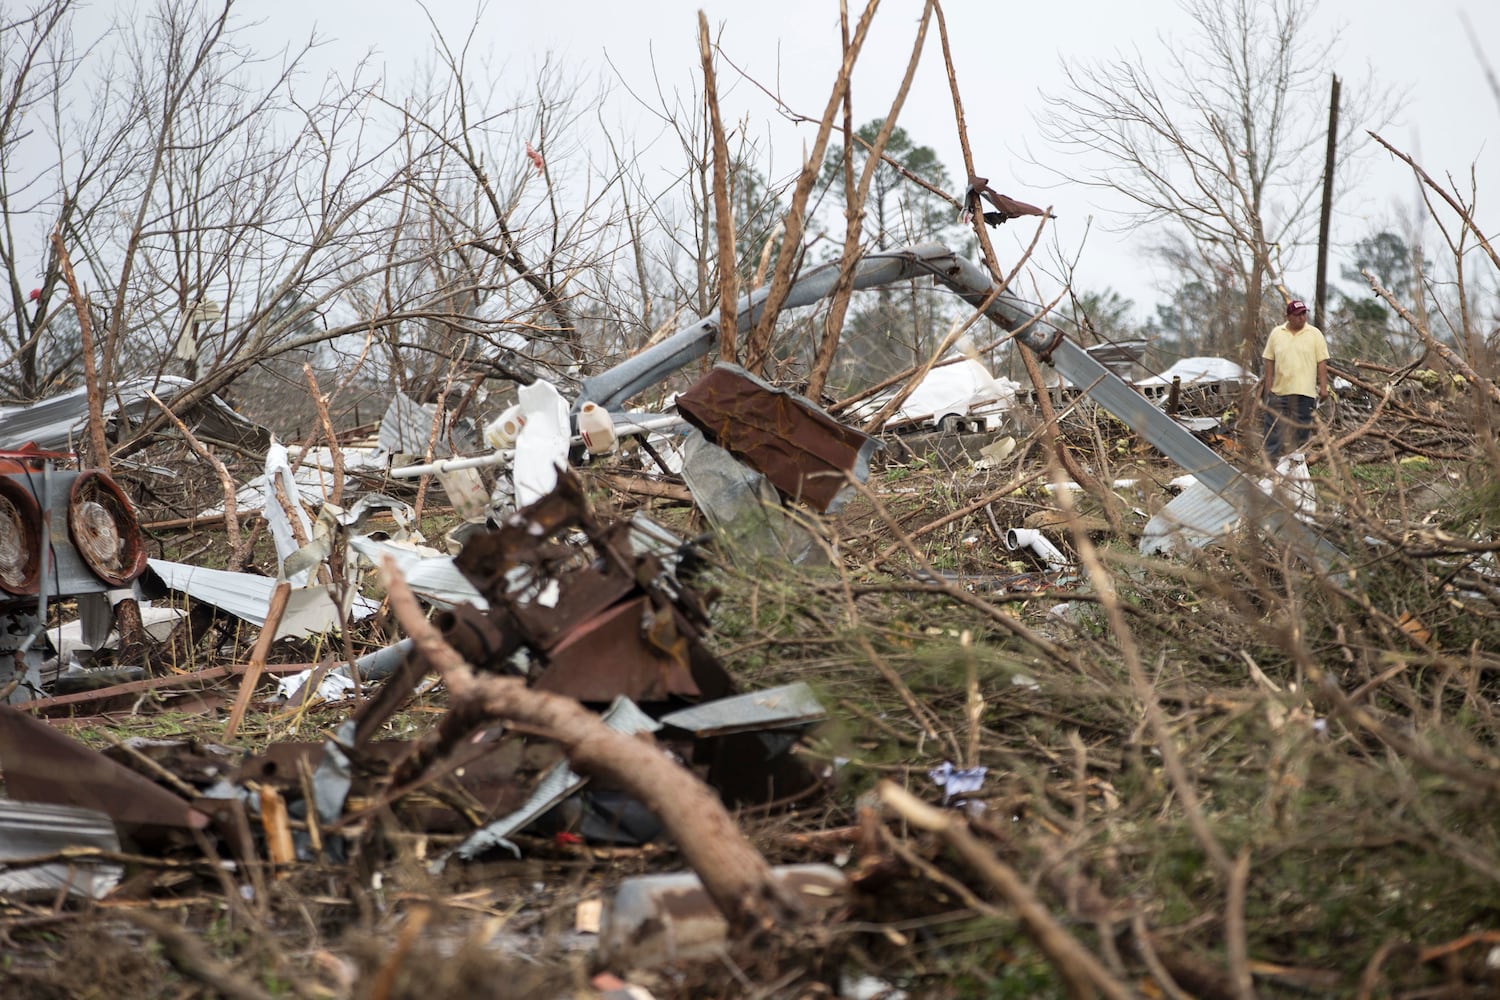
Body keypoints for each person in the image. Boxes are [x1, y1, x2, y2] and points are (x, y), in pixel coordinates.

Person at [1260, 299, 1329, 461]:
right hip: (1279, 391)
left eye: (1304, 314)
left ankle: (1297, 464)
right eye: (1298, 315)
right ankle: (1270, 464)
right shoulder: (1277, 333)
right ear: (1288, 316)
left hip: (1305, 392)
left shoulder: (1314, 334)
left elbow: (1322, 363)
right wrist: (1268, 388)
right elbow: (1269, 361)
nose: (1302, 318)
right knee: (1273, 430)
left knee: (1301, 430)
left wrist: (1323, 388)